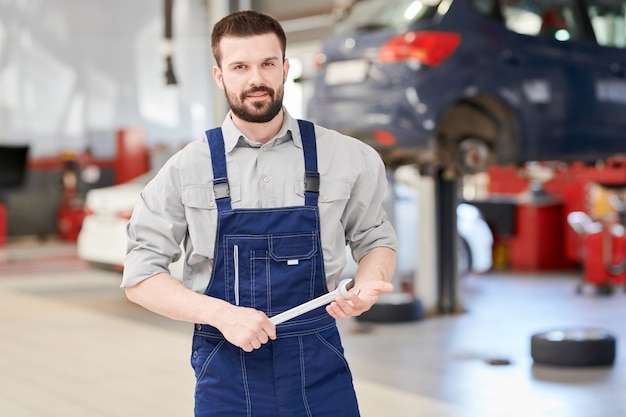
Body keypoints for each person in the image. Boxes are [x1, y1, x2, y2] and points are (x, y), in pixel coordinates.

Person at [122, 9, 398, 417]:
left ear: (285, 68)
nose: (256, 79)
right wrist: (221, 315)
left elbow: (375, 239)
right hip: (227, 372)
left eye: (268, 63)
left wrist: (367, 287)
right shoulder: (186, 169)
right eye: (240, 66)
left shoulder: (348, 157)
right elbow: (140, 276)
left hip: (318, 368)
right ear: (220, 75)